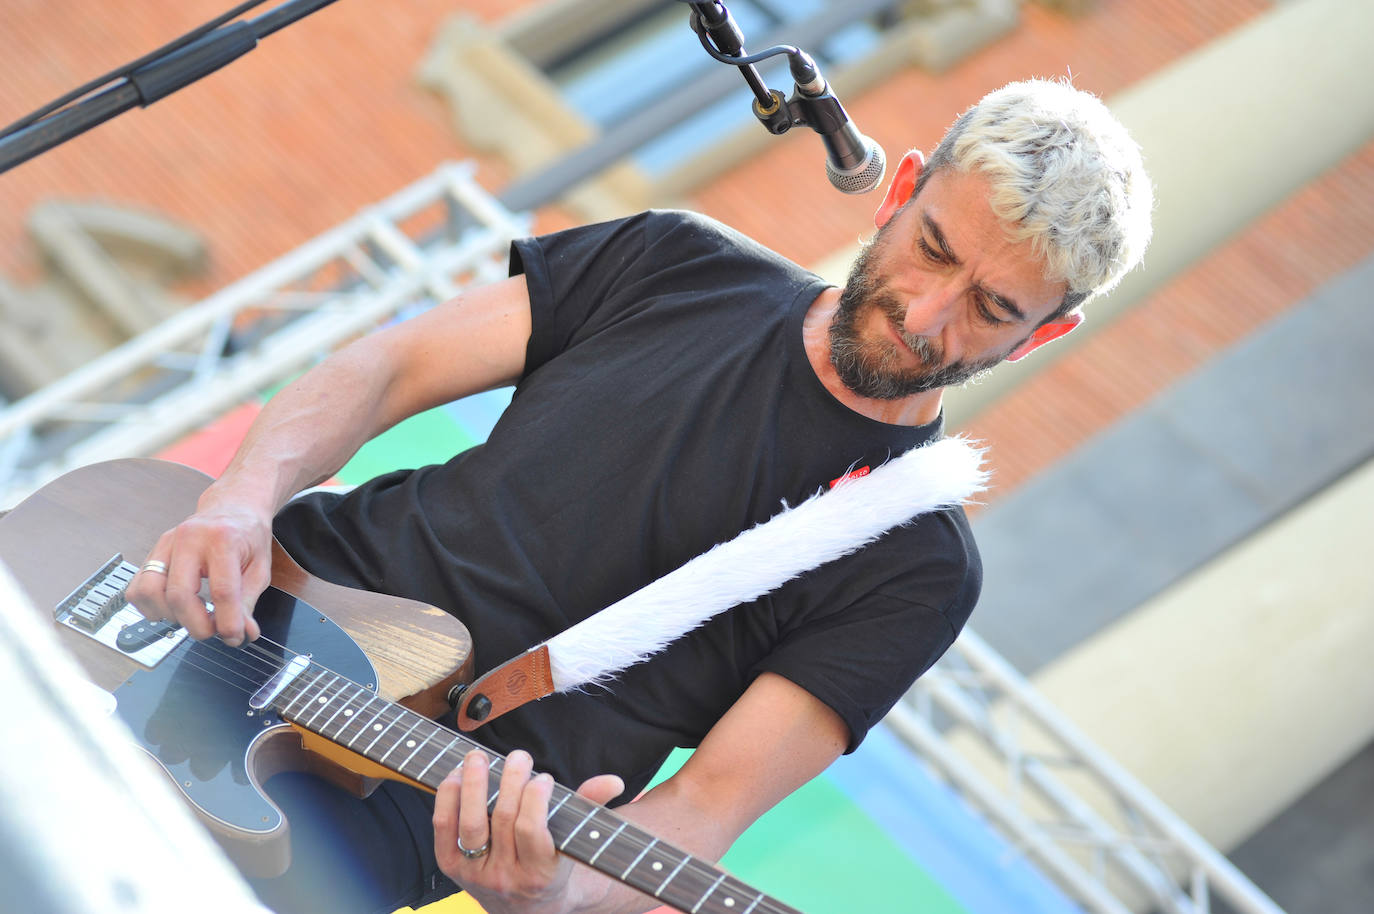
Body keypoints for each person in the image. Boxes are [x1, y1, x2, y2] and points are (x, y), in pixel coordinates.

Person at [127, 77, 1152, 914]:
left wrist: (550, 891)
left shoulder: (916, 564)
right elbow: (391, 366)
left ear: (1044, 333)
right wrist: (239, 499)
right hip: (237, 614)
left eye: (992, 308)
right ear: (903, 189)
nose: (928, 318)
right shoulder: (678, 258)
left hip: (369, 821)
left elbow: (702, 812)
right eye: (935, 249)